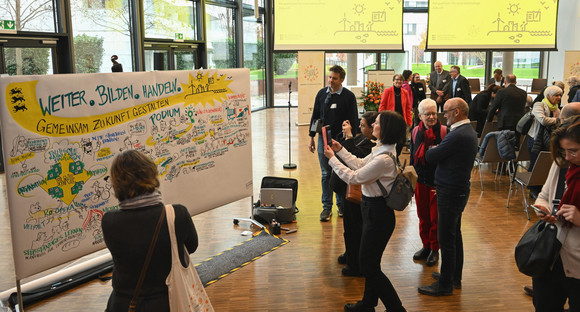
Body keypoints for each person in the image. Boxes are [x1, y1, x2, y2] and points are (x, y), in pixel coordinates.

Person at [325, 111, 407, 312]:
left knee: (368, 265)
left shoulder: (384, 159)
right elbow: (360, 164)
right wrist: (341, 150)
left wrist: (332, 159)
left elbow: (354, 177)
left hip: (378, 214)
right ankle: (368, 303)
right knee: (371, 263)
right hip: (373, 210)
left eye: (377, 123)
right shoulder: (382, 149)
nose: (373, 126)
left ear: (385, 129)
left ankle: (397, 308)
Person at [102, 150, 198, 312]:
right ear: (151, 174)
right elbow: (192, 247)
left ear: (116, 183)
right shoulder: (177, 215)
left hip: (123, 304)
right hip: (168, 302)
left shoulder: (109, 221)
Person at [418, 98, 478, 296]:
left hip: (451, 191)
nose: (443, 115)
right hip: (456, 189)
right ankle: (453, 277)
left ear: (457, 112)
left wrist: (432, 150)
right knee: (454, 235)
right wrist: (436, 150)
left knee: (446, 238)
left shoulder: (458, 134)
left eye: (446, 111)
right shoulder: (464, 132)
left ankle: (445, 285)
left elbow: (431, 156)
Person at [522, 101, 580, 300]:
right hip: (550, 255)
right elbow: (545, 195)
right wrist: (543, 208)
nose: (567, 157)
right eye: (563, 151)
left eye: (573, 151)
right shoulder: (562, 162)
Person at [308, 65, 359, 221]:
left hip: (340, 142)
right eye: (329, 77)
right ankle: (326, 208)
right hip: (323, 140)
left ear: (341, 79)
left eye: (334, 78)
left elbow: (354, 120)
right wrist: (311, 137)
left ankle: (341, 205)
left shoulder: (349, 96)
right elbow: (315, 116)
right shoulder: (321, 94)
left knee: (340, 172)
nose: (330, 80)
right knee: (326, 174)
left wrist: (351, 140)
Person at [331, 112, 379, 277]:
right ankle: (350, 254)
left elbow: (357, 159)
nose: (360, 127)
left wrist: (349, 139)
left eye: (363, 125)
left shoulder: (374, 148)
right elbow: (348, 151)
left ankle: (355, 264)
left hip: (356, 193)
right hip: (346, 190)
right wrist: (345, 136)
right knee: (349, 228)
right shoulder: (363, 139)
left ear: (373, 127)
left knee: (354, 229)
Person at [409, 99, 447, 267]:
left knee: (435, 219)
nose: (432, 117)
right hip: (421, 182)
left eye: (434, 113)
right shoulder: (415, 131)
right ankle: (425, 245)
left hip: (437, 184)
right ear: (420, 116)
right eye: (428, 114)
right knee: (423, 217)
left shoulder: (445, 132)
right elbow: (412, 157)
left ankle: (434, 249)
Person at [527, 85, 562, 170]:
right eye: (556, 95)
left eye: (560, 95)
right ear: (548, 96)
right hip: (536, 140)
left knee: (546, 167)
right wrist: (557, 120)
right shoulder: (539, 105)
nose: (559, 97)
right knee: (535, 166)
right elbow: (543, 120)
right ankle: (533, 183)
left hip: (549, 140)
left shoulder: (557, 109)